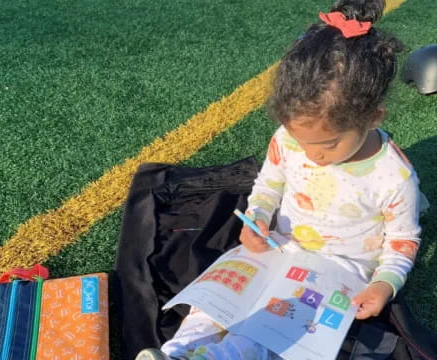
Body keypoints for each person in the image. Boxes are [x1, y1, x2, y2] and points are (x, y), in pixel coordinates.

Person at [135, 0, 422, 359]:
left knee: (269, 330)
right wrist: (256, 216)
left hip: (337, 271)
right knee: (214, 299)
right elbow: (268, 184)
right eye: (299, 141)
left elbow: (403, 240)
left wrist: (384, 283)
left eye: (327, 145)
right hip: (276, 248)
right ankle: (177, 351)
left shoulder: (392, 176)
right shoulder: (288, 140)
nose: (311, 155)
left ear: (373, 117)